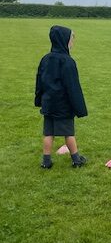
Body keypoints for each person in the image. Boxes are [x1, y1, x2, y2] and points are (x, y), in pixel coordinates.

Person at [35, 25, 88, 169]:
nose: (72, 42)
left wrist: (39, 100)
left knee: (48, 133)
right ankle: (76, 160)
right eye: (71, 39)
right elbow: (73, 87)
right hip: (63, 105)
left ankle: (46, 161)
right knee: (68, 133)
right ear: (63, 40)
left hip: (49, 104)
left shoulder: (45, 59)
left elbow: (39, 80)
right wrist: (80, 108)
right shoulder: (68, 62)